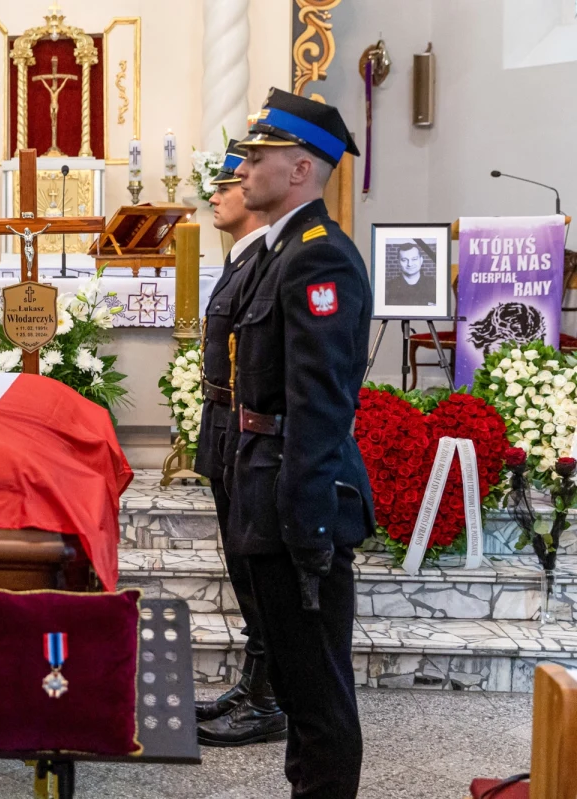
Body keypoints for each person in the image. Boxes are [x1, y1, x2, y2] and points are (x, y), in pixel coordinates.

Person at [230, 88, 374, 799]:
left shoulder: (321, 260)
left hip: (297, 500)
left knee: (317, 696)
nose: (244, 168)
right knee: (294, 680)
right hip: (270, 492)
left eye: (259, 157)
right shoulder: (278, 251)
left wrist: (307, 525)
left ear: (301, 169)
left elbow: (318, 406)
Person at [192, 139, 286, 747]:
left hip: (249, 432)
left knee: (257, 569)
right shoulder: (238, 260)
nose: (220, 193)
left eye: (227, 184)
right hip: (225, 426)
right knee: (240, 563)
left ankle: (270, 695)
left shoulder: (265, 261)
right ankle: (255, 684)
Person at [384, 240, 436, 307]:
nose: (410, 264)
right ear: (398, 262)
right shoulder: (388, 287)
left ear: (421, 260)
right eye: (404, 260)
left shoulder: (434, 284)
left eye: (414, 259)